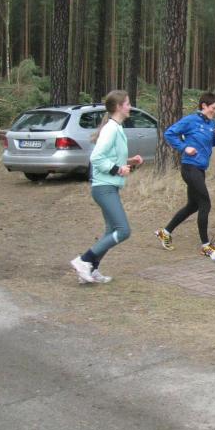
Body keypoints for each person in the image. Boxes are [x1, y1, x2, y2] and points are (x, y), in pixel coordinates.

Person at [70, 90, 143, 284]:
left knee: (111, 231)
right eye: (127, 103)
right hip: (104, 188)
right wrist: (118, 169)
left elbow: (110, 156)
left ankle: (92, 269)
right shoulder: (111, 129)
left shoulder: (116, 127)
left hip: (108, 187)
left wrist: (129, 161)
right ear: (119, 107)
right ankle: (84, 260)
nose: (130, 107)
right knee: (123, 231)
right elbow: (96, 158)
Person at [155, 92, 215, 272]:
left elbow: (209, 143)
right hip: (189, 167)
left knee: (193, 205)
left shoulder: (211, 123)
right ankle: (205, 245)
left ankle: (165, 232)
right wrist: (184, 147)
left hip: (200, 169)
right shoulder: (190, 120)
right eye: (213, 108)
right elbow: (170, 133)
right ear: (204, 106)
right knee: (205, 203)